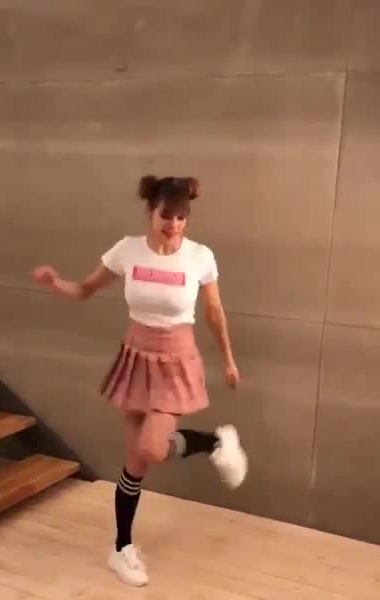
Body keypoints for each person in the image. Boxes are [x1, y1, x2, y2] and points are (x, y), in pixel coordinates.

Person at [31, 175, 248, 587]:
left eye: (182, 217)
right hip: (135, 357)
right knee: (135, 461)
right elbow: (85, 289)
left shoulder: (200, 256)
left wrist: (229, 360)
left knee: (152, 448)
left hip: (175, 360)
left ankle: (214, 443)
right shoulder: (127, 250)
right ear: (151, 211)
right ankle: (122, 548)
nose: (174, 225)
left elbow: (214, 312)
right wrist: (54, 283)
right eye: (167, 215)